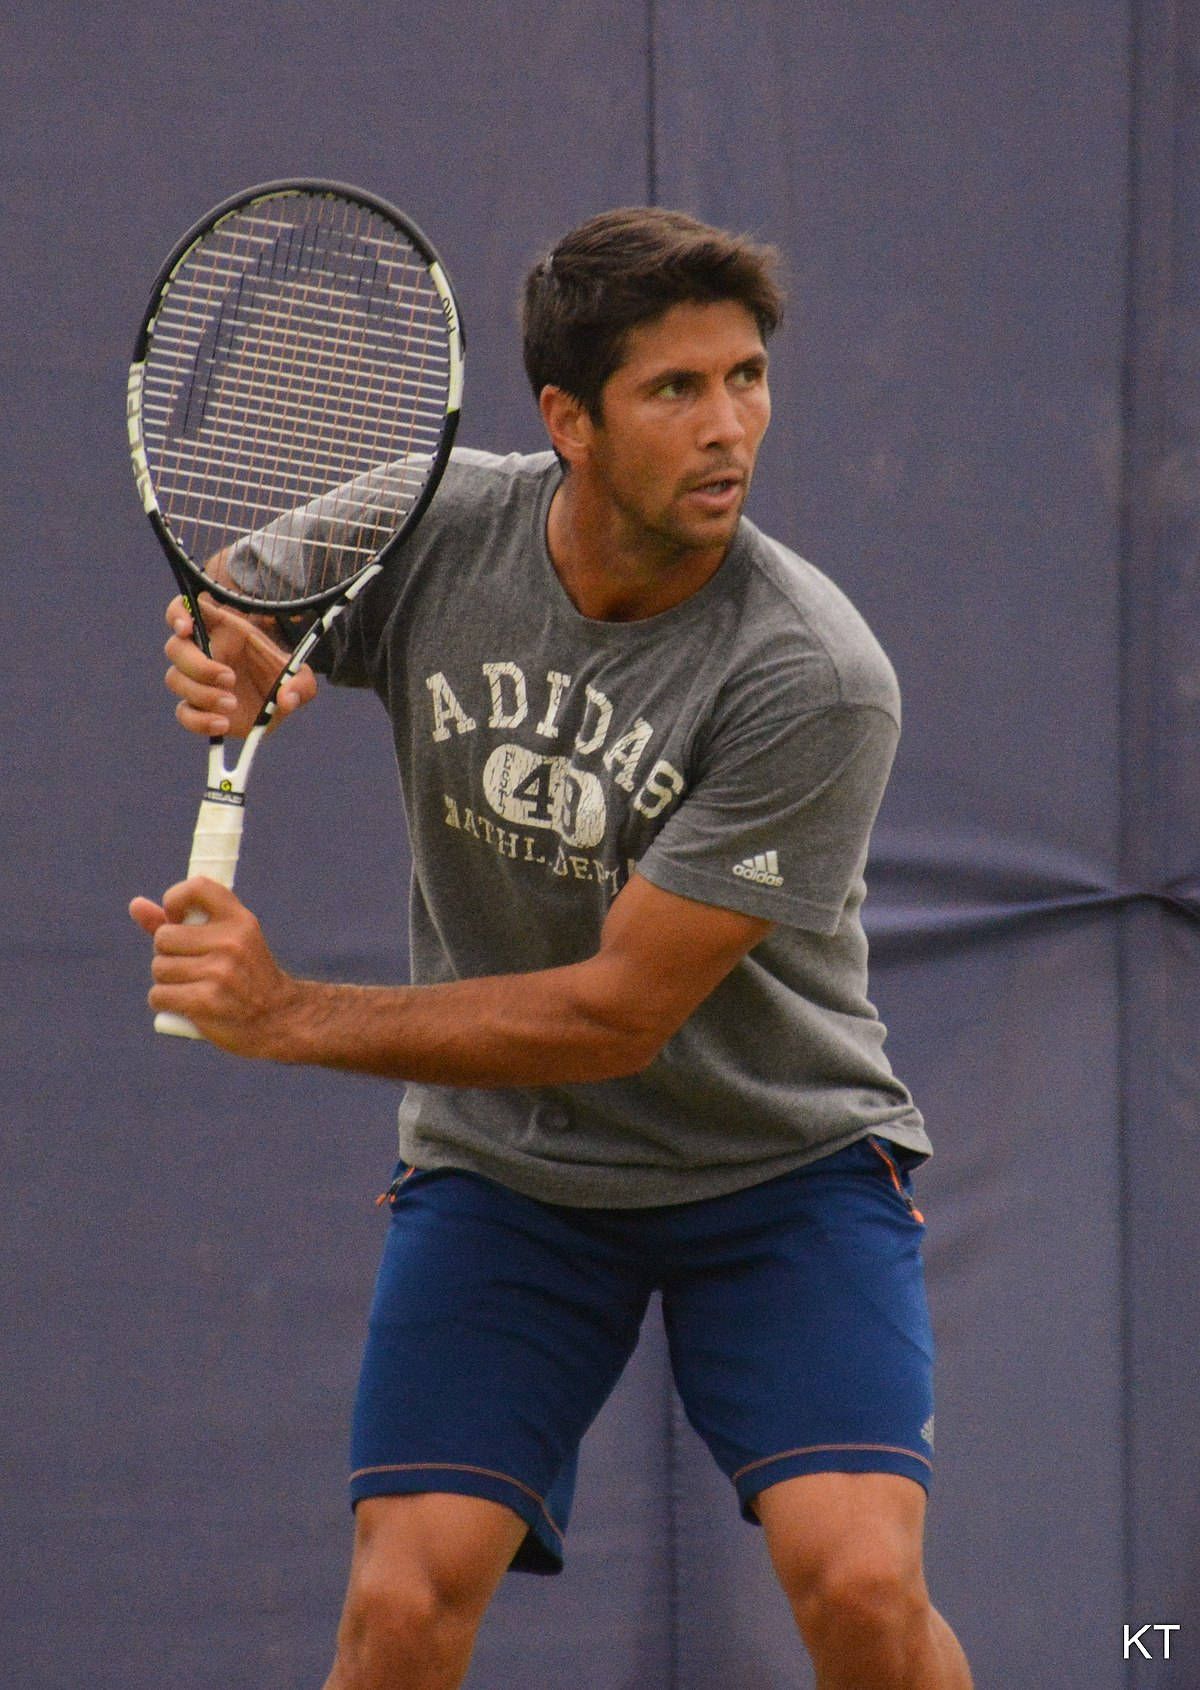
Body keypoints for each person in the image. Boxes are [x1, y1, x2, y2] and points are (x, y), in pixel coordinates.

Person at [130, 206, 972, 1690]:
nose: (731, 427)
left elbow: (613, 1018)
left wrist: (287, 1012)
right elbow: (234, 602)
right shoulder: (439, 522)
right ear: (567, 420)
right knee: (401, 1603)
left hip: (777, 1171)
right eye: (677, 390)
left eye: (749, 377)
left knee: (860, 1583)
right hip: (515, 1176)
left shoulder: (815, 676)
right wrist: (237, 648)